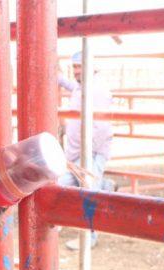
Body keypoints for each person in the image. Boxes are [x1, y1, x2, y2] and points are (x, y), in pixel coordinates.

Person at [58, 51, 114, 249]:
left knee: (89, 193)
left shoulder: (97, 90)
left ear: (90, 67)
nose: (76, 71)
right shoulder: (82, 86)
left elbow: (101, 126)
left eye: (79, 66)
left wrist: (90, 153)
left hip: (89, 152)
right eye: (74, 67)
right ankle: (104, 185)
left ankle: (90, 237)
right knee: (60, 186)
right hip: (76, 152)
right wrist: (59, 79)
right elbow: (73, 86)